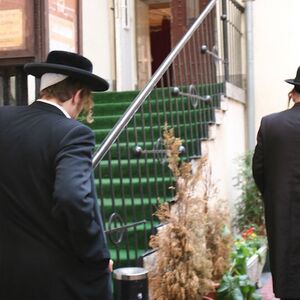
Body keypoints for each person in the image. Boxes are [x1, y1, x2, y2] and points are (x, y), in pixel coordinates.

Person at [0, 51, 113, 300]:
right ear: (77, 95)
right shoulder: (73, 133)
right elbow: (73, 197)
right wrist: (96, 256)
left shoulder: (3, 119)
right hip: (60, 281)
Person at [253, 66, 300, 300]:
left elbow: (259, 171)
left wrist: (274, 195)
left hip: (283, 214)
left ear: (294, 93)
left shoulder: (271, 125)